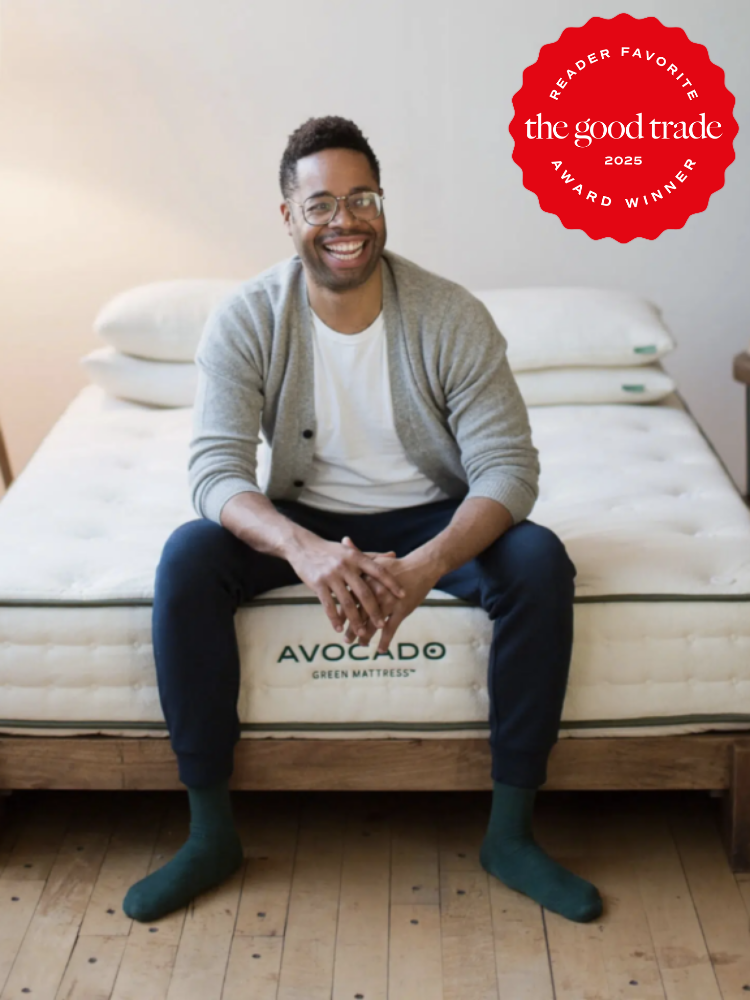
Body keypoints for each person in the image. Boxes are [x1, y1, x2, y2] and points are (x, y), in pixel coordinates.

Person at [122, 115, 603, 925]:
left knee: (538, 561)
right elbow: (215, 472)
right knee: (188, 556)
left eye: (361, 199)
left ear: (382, 206)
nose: (342, 221)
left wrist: (426, 566)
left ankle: (511, 834)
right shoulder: (247, 318)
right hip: (304, 516)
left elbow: (509, 469)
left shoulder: (450, 314)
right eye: (319, 205)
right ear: (288, 217)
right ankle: (210, 833)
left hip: (430, 516)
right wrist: (302, 549)